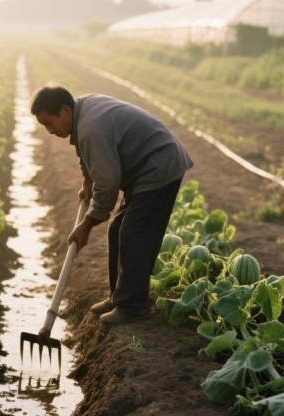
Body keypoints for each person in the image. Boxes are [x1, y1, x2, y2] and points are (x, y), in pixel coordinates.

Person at [30, 83, 193, 325]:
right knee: (118, 229)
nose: (50, 131)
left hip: (158, 165)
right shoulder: (81, 111)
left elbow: (108, 183)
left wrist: (87, 224)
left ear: (65, 110)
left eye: (49, 123)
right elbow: (88, 155)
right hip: (146, 165)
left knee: (133, 233)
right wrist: (87, 180)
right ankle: (119, 297)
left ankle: (134, 306)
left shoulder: (89, 129)